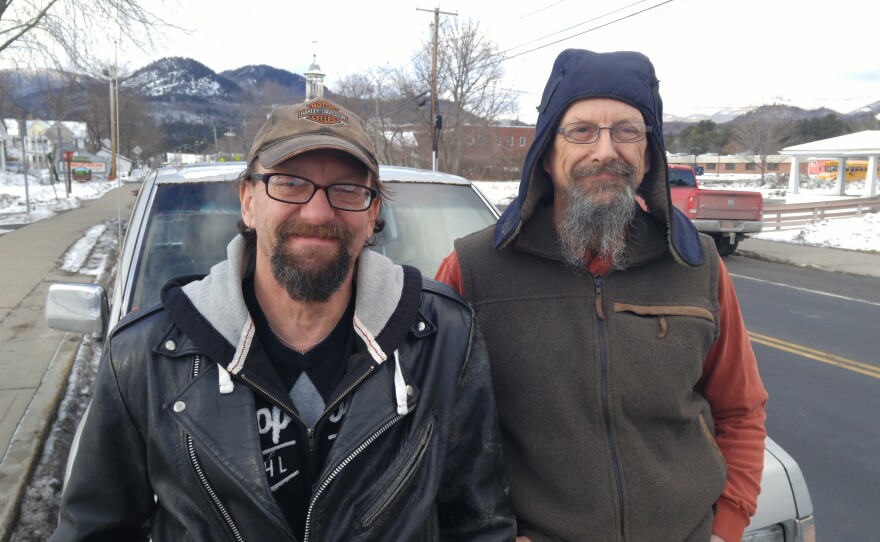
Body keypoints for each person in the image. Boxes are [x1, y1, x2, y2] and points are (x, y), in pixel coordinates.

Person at [52, 98, 515, 541]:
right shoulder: (146, 356)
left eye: (348, 189)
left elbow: (476, 526)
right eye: (290, 182)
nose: (317, 212)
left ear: (373, 212)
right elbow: (97, 530)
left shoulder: (444, 339)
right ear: (248, 202)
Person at [436, 49, 768, 542]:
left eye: (628, 131)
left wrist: (726, 526)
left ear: (649, 154)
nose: (606, 151)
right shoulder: (473, 271)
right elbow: (436, 432)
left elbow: (741, 411)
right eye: (582, 130)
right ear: (547, 154)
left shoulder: (696, 265)